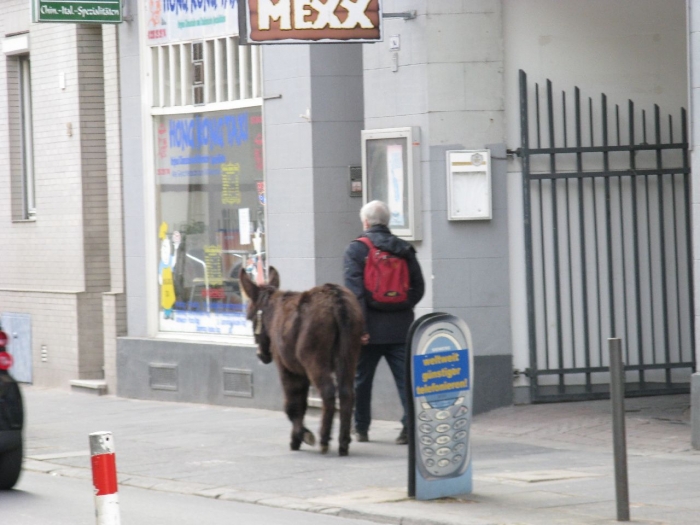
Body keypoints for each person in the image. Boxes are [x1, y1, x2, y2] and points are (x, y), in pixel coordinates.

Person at [343, 200, 425, 445]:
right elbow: (418, 288)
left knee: (361, 380)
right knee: (406, 381)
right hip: (401, 329)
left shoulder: (356, 250)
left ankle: (362, 428)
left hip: (368, 332)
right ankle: (408, 429)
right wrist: (401, 305)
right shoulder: (404, 248)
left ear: (365, 222)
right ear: (387, 222)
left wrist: (362, 329)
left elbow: (354, 294)